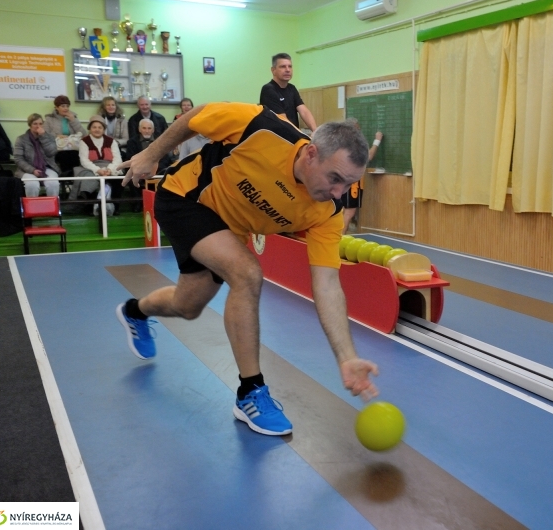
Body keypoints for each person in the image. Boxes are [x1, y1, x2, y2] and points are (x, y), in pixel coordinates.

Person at [116, 102, 379, 437]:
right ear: (311, 154)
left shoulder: (326, 211)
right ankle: (250, 392)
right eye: (335, 178)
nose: (339, 192)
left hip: (227, 229)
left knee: (188, 304)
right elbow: (198, 116)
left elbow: (327, 284)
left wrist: (346, 357)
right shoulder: (261, 126)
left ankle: (134, 312)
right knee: (247, 274)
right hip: (186, 197)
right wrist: (153, 152)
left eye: (348, 185)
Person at [73, 115, 124, 216]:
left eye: (100, 127)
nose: (97, 129)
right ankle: (89, 208)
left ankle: (115, 207)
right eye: (94, 127)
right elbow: (84, 161)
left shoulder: (111, 141)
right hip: (91, 167)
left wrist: (109, 170)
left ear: (103, 129)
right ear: (90, 129)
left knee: (118, 180)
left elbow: (117, 159)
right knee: (88, 180)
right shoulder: (84, 141)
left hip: (110, 166)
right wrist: (98, 170)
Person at [259, 53, 317, 132]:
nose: (287, 70)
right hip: (278, 138)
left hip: (292, 136)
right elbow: (283, 120)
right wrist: (300, 135)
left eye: (290, 66)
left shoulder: (291, 88)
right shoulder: (268, 89)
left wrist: (316, 131)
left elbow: (304, 111)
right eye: (283, 66)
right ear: (273, 70)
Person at [342, 124, 382, 234]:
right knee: (350, 211)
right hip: (352, 183)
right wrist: (377, 141)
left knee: (345, 210)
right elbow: (369, 156)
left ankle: (338, 237)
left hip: (343, 180)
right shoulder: (354, 144)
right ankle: (339, 239)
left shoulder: (341, 143)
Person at [13, 113, 61, 198]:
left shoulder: (50, 137)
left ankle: (51, 209)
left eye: (40, 123)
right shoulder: (21, 139)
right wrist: (32, 170)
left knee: (53, 183)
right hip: (27, 169)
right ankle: (32, 209)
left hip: (47, 167)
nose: (38, 126)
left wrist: (43, 137)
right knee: (32, 184)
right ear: (30, 125)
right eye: (35, 124)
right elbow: (18, 158)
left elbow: (51, 152)